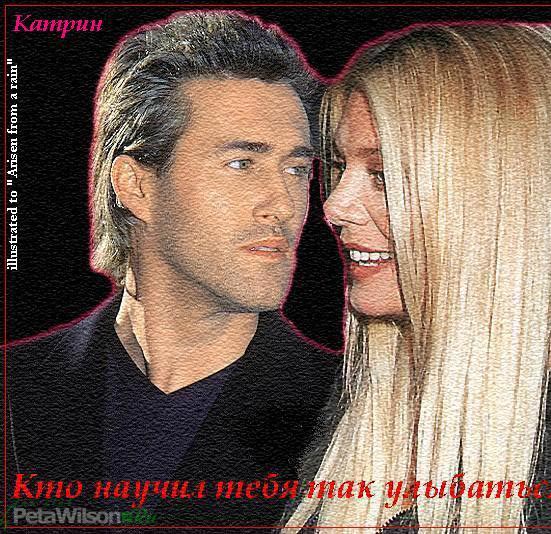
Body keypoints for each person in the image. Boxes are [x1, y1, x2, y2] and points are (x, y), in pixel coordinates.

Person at [7, 11, 339, 528]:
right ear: (136, 186)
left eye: (296, 168)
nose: (284, 204)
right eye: (241, 164)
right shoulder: (16, 386)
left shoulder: (353, 411)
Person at [285, 22, 551, 532]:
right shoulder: (358, 404)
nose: (335, 207)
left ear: (501, 196)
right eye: (339, 167)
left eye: (383, 175)